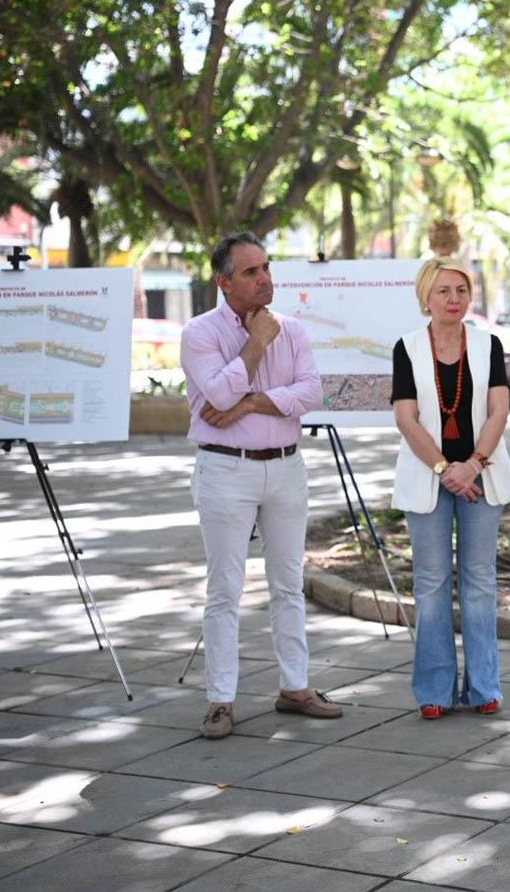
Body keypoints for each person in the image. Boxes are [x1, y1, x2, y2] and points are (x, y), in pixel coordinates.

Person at [180, 231, 341, 740]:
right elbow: (219, 390)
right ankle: (220, 700)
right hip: (226, 468)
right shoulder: (200, 333)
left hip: (287, 467)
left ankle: (295, 686)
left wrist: (249, 404)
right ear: (224, 282)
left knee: (288, 583)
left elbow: (310, 392)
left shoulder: (293, 330)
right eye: (251, 272)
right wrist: (255, 345)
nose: (265, 278)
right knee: (225, 589)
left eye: (267, 268)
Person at [391, 230, 510, 720]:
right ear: (426, 296)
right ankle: (434, 690)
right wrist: (446, 470)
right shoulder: (406, 347)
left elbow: (499, 411)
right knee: (431, 582)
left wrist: (473, 465)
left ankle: (485, 686)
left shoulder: (489, 345)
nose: (454, 299)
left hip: (481, 474)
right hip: (429, 477)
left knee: (481, 581)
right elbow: (406, 418)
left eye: (461, 290)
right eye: (444, 290)